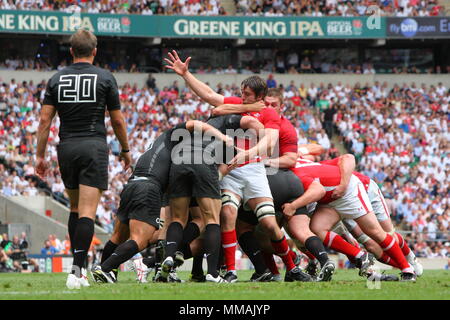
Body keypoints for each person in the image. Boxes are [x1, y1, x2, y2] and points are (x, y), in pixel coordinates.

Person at [165, 51, 311, 283]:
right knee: (227, 213)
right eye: (241, 93)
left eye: (247, 94)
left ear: (260, 95)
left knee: (269, 224)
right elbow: (211, 96)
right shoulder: (241, 105)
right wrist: (186, 74)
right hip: (230, 170)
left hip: (253, 170)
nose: (241, 97)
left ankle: (292, 267)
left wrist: (247, 153)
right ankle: (230, 271)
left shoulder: (269, 113)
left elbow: (269, 142)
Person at [36, 29, 131, 289]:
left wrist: (39, 156)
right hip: (93, 145)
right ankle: (77, 273)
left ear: (71, 51)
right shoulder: (105, 77)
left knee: (75, 209)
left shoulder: (57, 78)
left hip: (66, 147)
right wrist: (125, 150)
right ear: (94, 51)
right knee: (88, 212)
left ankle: (75, 269)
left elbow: (45, 120)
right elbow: (118, 120)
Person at [93, 118, 240, 283]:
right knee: (142, 239)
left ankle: (105, 272)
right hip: (149, 188)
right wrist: (222, 138)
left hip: (132, 184)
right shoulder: (174, 139)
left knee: (118, 236)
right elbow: (194, 124)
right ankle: (107, 268)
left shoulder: (160, 144)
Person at [283, 157, 417, 281]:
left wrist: (292, 206)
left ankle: (408, 268)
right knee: (317, 229)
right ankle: (361, 257)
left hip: (349, 193)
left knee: (375, 233)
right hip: (329, 199)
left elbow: (319, 189)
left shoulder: (295, 174)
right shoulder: (295, 163)